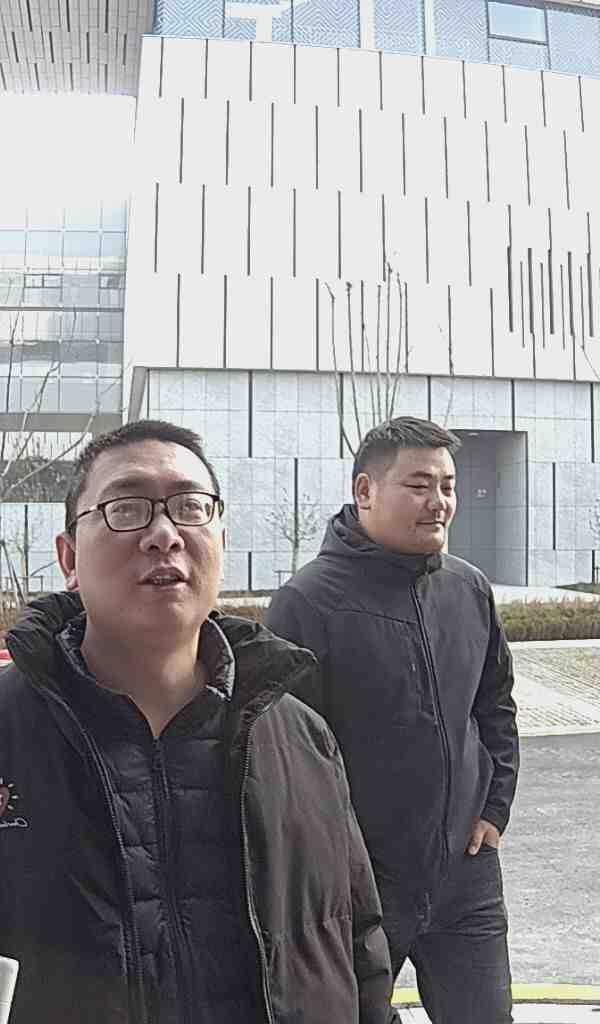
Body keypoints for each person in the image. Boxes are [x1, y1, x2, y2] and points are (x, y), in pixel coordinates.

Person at [0, 419, 397, 1024]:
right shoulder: (10, 729)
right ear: (69, 557)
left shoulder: (299, 736)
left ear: (221, 540)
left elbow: (357, 939)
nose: (164, 535)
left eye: (190, 508)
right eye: (126, 509)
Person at [267, 416, 519, 1024]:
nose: (440, 503)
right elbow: (288, 761)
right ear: (365, 491)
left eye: (448, 486)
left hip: (465, 873)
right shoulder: (308, 603)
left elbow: (494, 705)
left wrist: (494, 807)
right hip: (361, 887)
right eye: (419, 485)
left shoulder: (468, 589)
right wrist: (330, 870)